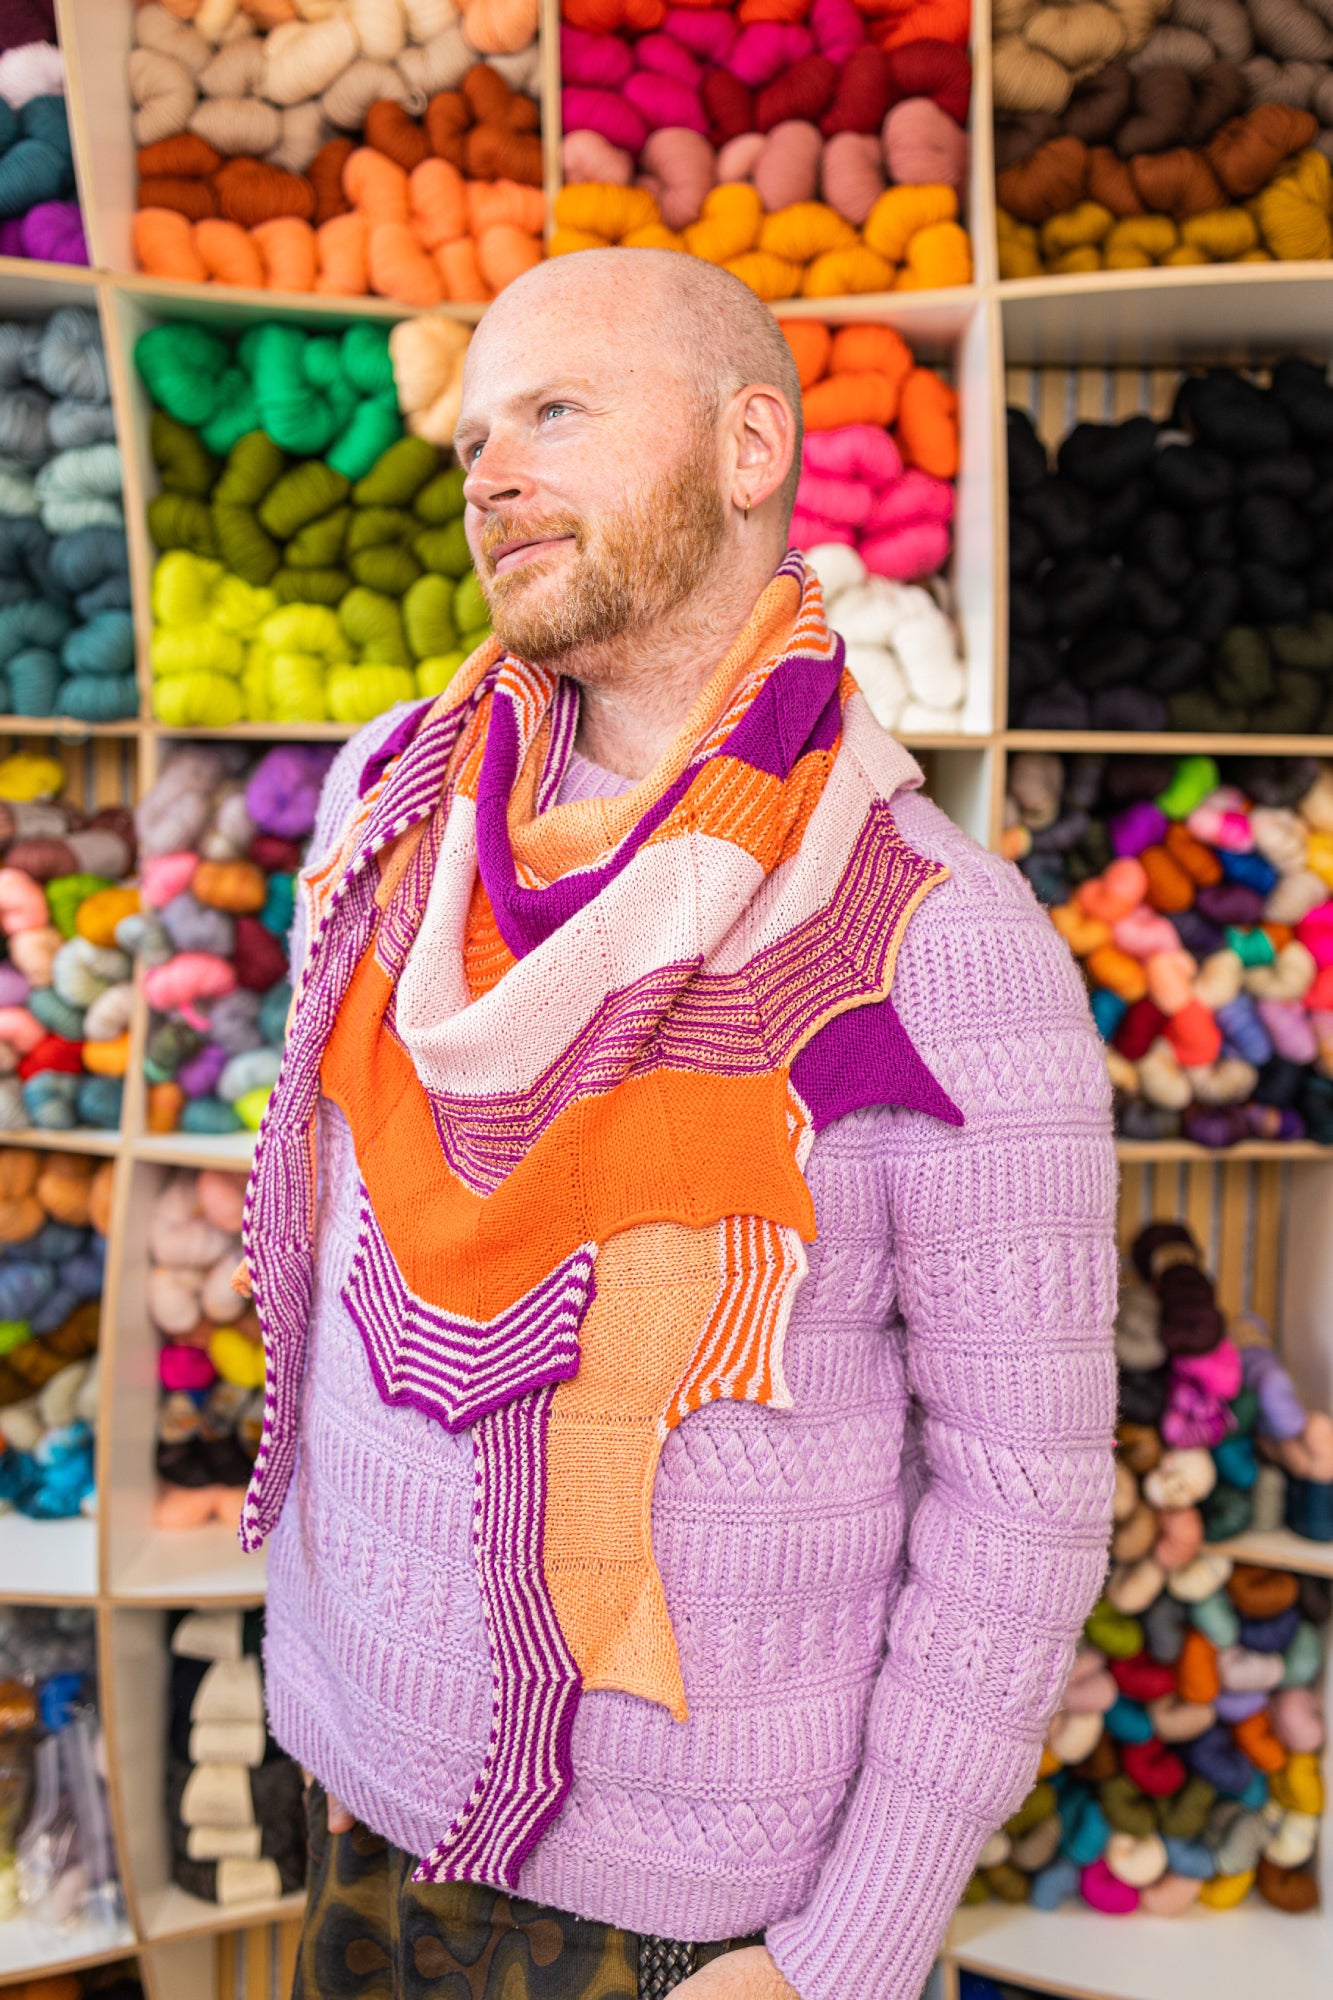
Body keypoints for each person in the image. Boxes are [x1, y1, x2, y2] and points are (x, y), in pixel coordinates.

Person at [237, 250, 1118, 2000]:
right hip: (351, 1787)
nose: (488, 473)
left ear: (749, 447)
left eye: (555, 411)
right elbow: (341, 1265)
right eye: (474, 437)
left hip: (689, 1922)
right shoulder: (385, 814)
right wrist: (330, 1707)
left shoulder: (934, 944)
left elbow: (1022, 1510)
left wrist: (842, 1957)